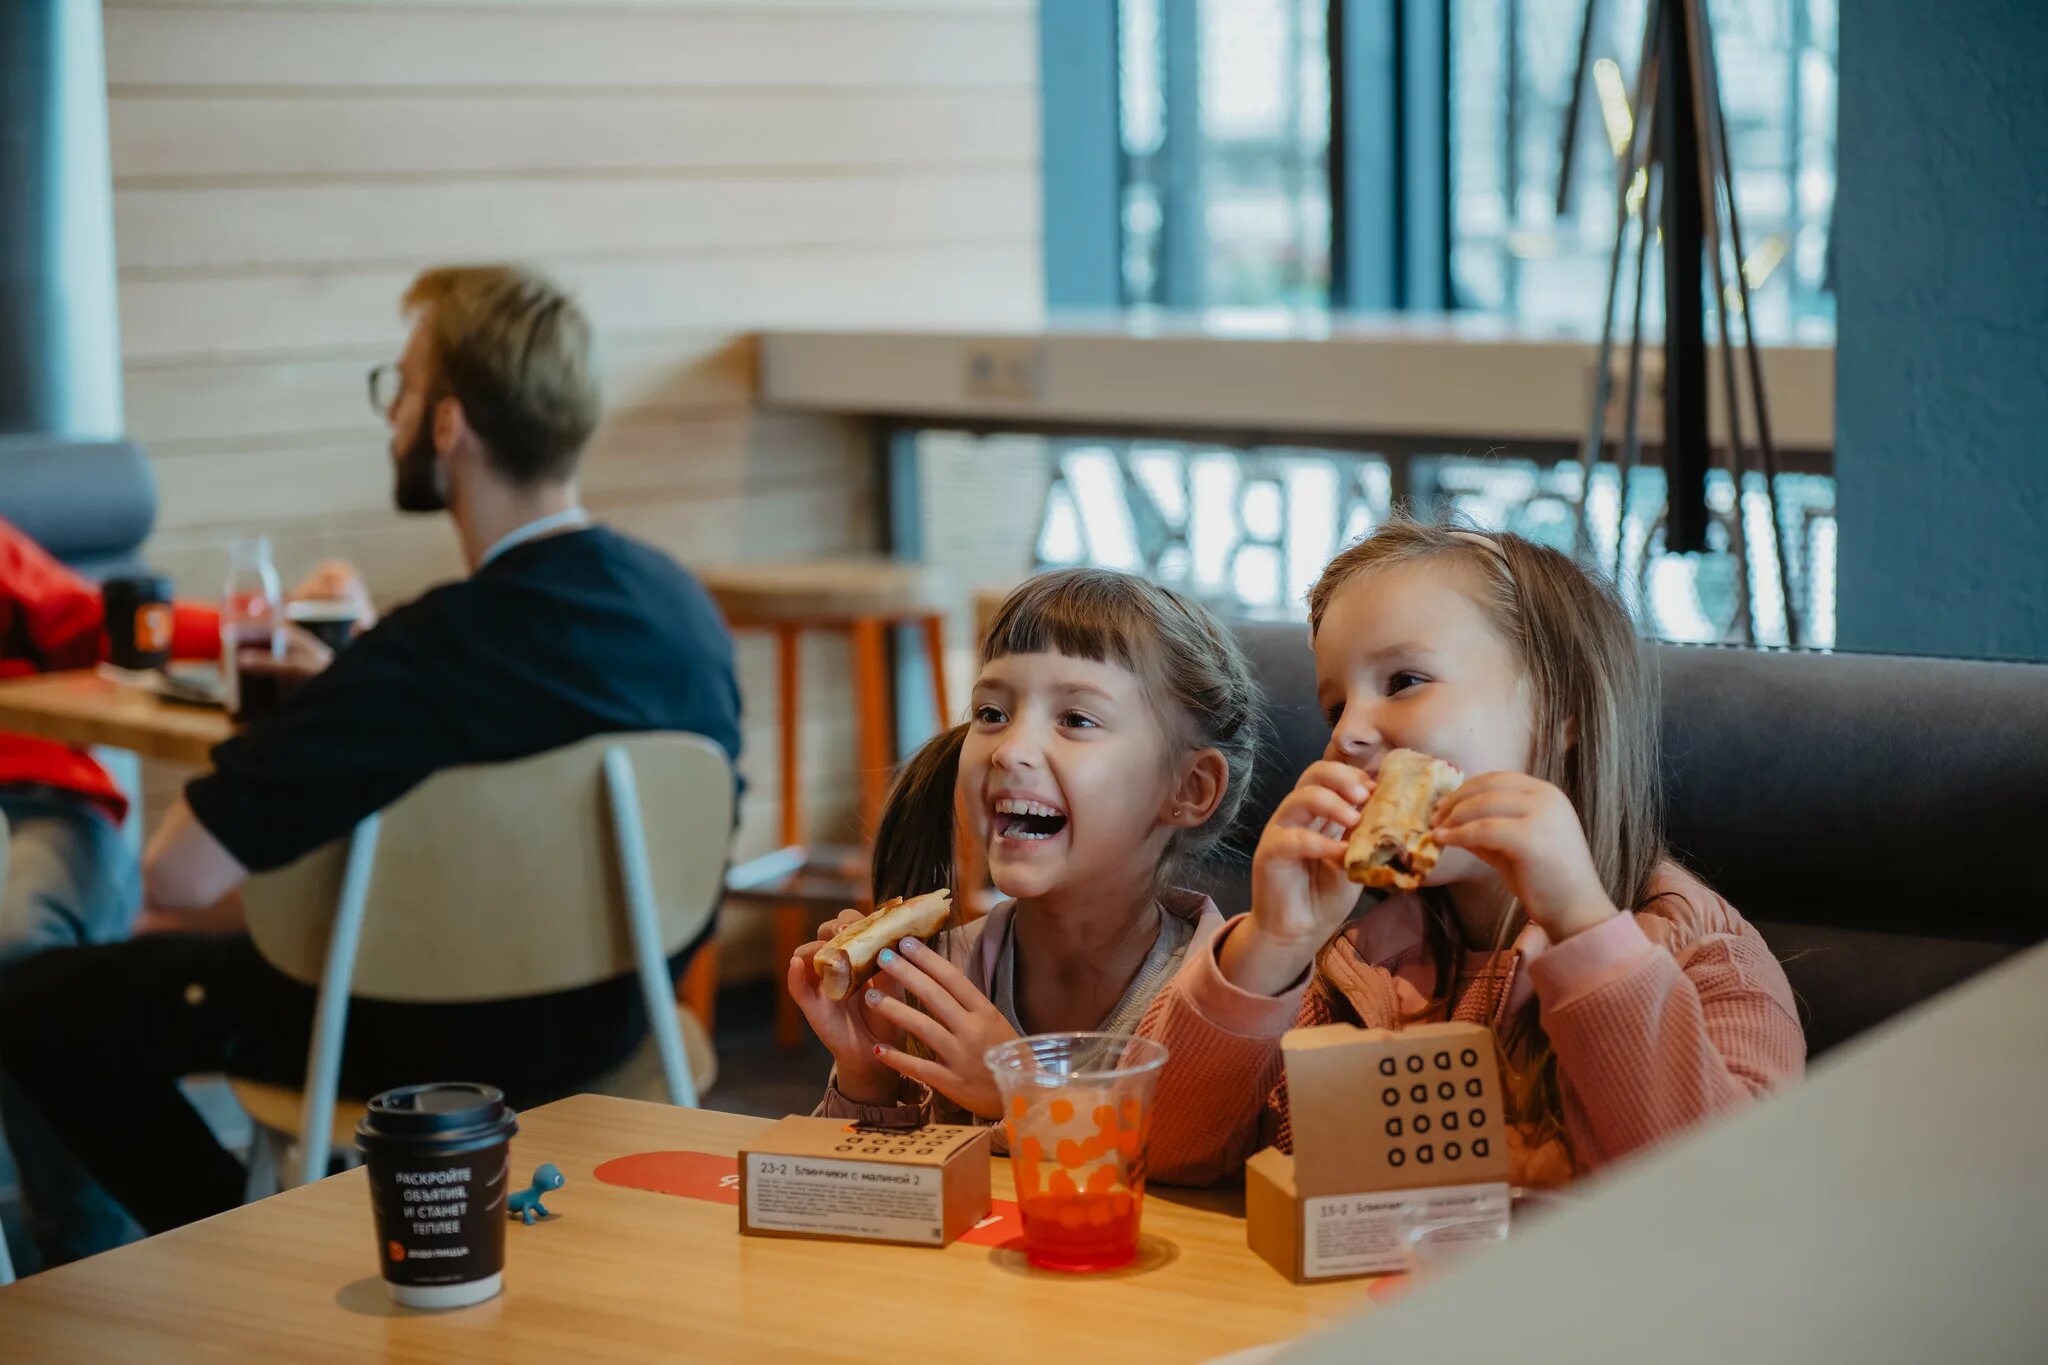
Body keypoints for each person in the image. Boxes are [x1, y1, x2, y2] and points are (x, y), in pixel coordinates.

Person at [0, 264, 742, 1241]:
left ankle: (227, 1246)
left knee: (33, 1003)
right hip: (617, 1025)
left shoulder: (426, 655)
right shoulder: (679, 609)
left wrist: (332, 710)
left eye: (398, 385)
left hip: (410, 1040)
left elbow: (177, 872)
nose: (390, 412)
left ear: (447, 425)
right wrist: (342, 704)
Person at [1140, 519, 1805, 1187]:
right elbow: (1167, 1152)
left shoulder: (1706, 957)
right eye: (1335, 705)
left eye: (1402, 680)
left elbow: (1731, 1195)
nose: (1347, 735)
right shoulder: (1357, 967)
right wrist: (1273, 944)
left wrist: (1587, 932)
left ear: (1558, 708)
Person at [788, 568, 1262, 1133]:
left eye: (1076, 720)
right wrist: (869, 1077)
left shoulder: (1227, 999)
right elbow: (863, 1206)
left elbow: (1210, 1180)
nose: (1011, 751)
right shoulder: (935, 977)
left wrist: (1023, 1095)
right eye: (992, 714)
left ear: (1188, 788)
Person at [0, 517, 226, 1269]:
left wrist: (256, 622)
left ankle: (88, 1255)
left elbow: (115, 622)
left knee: (13, 947)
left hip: (37, 805)